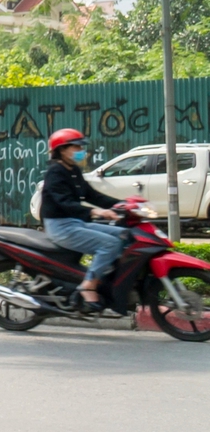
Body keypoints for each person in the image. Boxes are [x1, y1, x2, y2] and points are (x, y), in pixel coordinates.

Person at [39, 128, 127, 312]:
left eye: (81, 147)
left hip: (75, 223)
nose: (81, 150)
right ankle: (88, 285)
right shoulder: (55, 173)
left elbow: (91, 194)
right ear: (62, 150)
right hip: (60, 227)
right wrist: (97, 212)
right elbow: (65, 203)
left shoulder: (73, 171)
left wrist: (123, 204)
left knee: (125, 235)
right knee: (109, 244)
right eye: (76, 147)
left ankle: (108, 279)